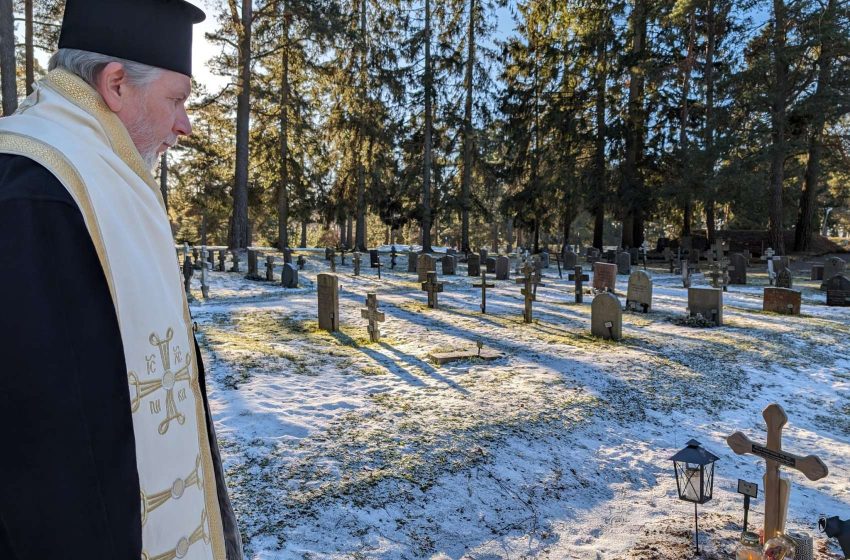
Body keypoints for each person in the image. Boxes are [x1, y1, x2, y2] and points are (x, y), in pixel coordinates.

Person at [0, 1, 243, 558]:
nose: (185, 123)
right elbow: (44, 460)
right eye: (177, 99)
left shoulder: (101, 172)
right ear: (116, 84)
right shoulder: (32, 192)